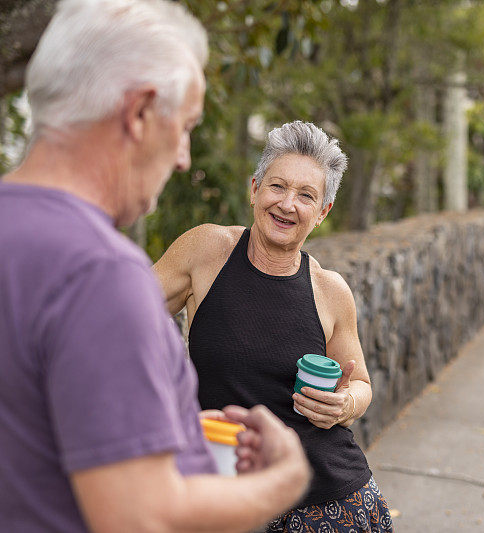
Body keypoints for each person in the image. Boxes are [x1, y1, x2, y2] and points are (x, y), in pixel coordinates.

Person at [0, 1, 311, 532]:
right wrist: (284, 481)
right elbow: (140, 520)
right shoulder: (99, 272)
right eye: (186, 126)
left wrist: (165, 424)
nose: (185, 156)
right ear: (141, 112)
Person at [154, 120, 394, 532]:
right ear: (254, 189)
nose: (287, 204)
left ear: (322, 213)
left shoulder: (330, 291)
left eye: (306, 196)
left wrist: (342, 405)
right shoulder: (206, 251)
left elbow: (362, 385)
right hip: (227, 495)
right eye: (277, 186)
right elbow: (122, 317)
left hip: (329, 502)